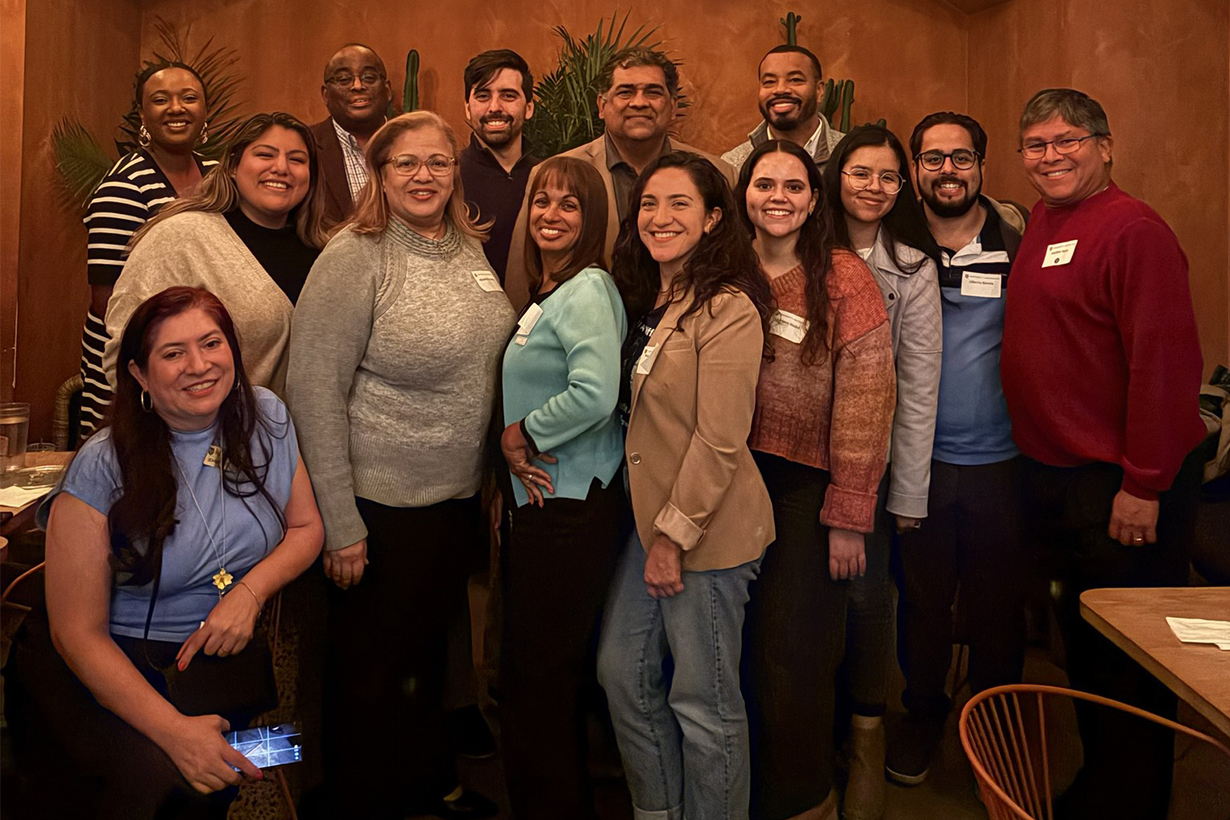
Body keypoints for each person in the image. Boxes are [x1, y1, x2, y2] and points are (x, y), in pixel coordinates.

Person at [7, 286, 323, 820]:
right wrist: (175, 733)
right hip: (111, 666)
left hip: (217, 666)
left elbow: (306, 528)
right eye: (173, 353)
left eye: (211, 343)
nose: (199, 366)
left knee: (283, 748)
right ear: (139, 375)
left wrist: (248, 593)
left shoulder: (266, 416)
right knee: (167, 789)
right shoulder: (104, 463)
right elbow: (76, 635)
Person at [286, 110, 513, 820]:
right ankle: (364, 802)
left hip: (450, 503)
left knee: (424, 666)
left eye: (437, 162)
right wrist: (341, 522)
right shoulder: (357, 254)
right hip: (376, 509)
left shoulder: (466, 245)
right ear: (380, 175)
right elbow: (313, 388)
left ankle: (424, 788)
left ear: (456, 172)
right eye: (406, 163)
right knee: (371, 677)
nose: (424, 176)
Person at [1001, 88, 1205, 820]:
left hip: (1123, 487)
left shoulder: (1133, 229)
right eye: (1035, 145)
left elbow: (1163, 364)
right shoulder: (1046, 224)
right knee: (1086, 658)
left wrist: (1144, 482)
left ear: (1105, 146)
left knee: (1129, 672)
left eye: (1067, 142)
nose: (1050, 156)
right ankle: (1101, 791)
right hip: (1059, 481)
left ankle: (1129, 804)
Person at [596, 151, 774, 820]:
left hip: (707, 532)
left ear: (713, 219)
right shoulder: (650, 296)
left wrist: (673, 538)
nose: (660, 217)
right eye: (649, 203)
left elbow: (720, 439)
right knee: (622, 674)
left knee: (704, 703)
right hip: (652, 520)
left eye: (678, 204)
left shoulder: (727, 305)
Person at [736, 140, 895, 820]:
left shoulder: (841, 277)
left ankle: (805, 801)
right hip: (720, 481)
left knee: (789, 658)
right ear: (742, 191)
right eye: (764, 182)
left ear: (813, 197)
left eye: (794, 185)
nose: (778, 196)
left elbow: (868, 397)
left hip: (805, 486)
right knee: (733, 655)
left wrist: (849, 513)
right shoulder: (720, 266)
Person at [882, 112, 1030, 787]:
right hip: (919, 464)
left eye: (961, 157)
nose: (948, 170)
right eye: (933, 157)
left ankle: (995, 731)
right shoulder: (892, 241)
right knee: (922, 601)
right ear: (914, 168)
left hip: (1003, 462)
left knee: (1000, 607)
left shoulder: (1018, 238)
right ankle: (922, 712)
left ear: (981, 166)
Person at [497, 156, 627, 819]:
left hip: (569, 507)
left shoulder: (588, 288)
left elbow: (596, 393)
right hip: (548, 506)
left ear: (593, 218)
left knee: (541, 687)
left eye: (569, 204)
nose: (551, 214)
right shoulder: (551, 291)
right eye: (541, 202)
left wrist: (523, 432)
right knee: (535, 682)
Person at [822, 125, 942, 820]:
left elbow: (920, 384)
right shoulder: (803, 245)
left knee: (868, 602)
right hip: (800, 459)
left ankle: (866, 737)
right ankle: (815, 739)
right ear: (837, 177)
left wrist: (908, 493)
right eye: (860, 172)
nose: (873, 186)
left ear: (903, 187)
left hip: (875, 460)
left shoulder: (914, 267)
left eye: (888, 176)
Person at [103, 112, 328, 397]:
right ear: (233, 165)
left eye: (297, 159)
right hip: (202, 435)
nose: (281, 168)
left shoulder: (325, 252)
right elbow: (125, 351)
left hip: (294, 439)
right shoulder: (180, 238)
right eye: (265, 155)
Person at [504, 47, 736, 310]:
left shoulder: (718, 174)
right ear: (602, 106)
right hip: (583, 327)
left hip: (685, 330)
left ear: (672, 107)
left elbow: (734, 264)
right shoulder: (553, 174)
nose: (639, 102)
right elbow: (521, 270)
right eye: (625, 92)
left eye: (653, 92)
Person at [80, 61, 216, 438]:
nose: (176, 108)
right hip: (136, 365)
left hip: (196, 359)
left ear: (205, 111)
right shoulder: (123, 188)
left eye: (189, 98)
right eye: (161, 100)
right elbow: (105, 301)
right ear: (143, 115)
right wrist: (166, 354)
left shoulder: (219, 177)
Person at [459, 49, 541, 283]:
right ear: (467, 107)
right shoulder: (446, 179)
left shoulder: (549, 177)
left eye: (508, 96)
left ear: (528, 108)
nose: (494, 107)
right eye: (483, 96)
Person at [722, 45, 846, 174]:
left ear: (819, 91)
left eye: (795, 80)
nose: (780, 89)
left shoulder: (849, 155)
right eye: (769, 81)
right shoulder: (733, 166)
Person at [310, 43, 392, 230]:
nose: (357, 86)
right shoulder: (305, 146)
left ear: (387, 90)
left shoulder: (414, 144)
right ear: (325, 95)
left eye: (369, 77)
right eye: (344, 79)